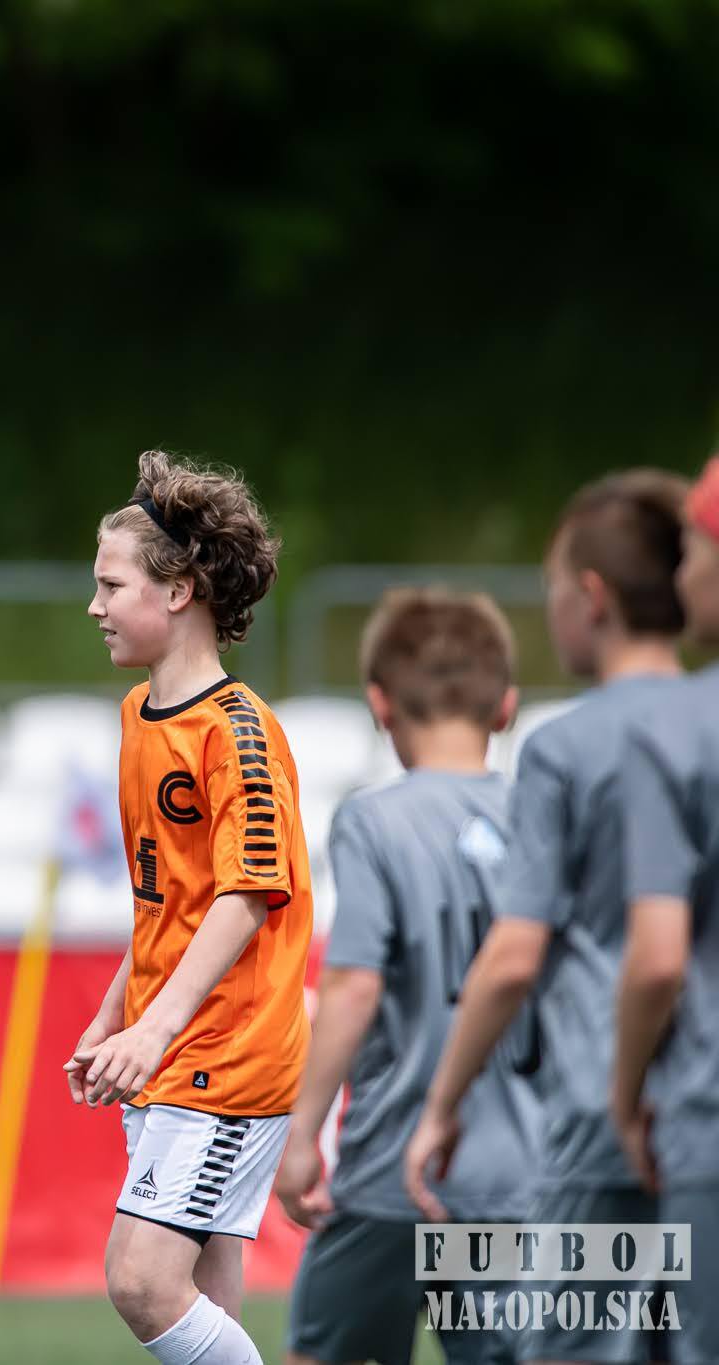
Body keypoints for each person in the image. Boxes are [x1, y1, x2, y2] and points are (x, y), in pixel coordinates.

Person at [403, 470, 687, 1365]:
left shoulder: (566, 747)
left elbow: (515, 954)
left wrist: (442, 1103)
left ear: (592, 598)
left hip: (606, 1125)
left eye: (554, 587)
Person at [71, 449, 311, 1365]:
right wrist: (115, 1014)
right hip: (177, 1044)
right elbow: (166, 899)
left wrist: (155, 1028)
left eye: (111, 584)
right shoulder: (137, 714)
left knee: (141, 1280)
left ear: (178, 591)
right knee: (206, 1292)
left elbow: (246, 896)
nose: (93, 605)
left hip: (231, 1052)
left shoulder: (239, 731)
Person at [275, 588, 538, 1365]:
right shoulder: (543, 817)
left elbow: (354, 984)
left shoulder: (373, 820)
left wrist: (301, 1135)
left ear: (380, 704)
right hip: (519, 1177)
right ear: (507, 706)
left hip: (391, 1172)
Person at [612, 454, 719, 1365]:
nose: (681, 576)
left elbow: (657, 958)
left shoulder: (678, 730)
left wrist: (623, 1093)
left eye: (693, 550)